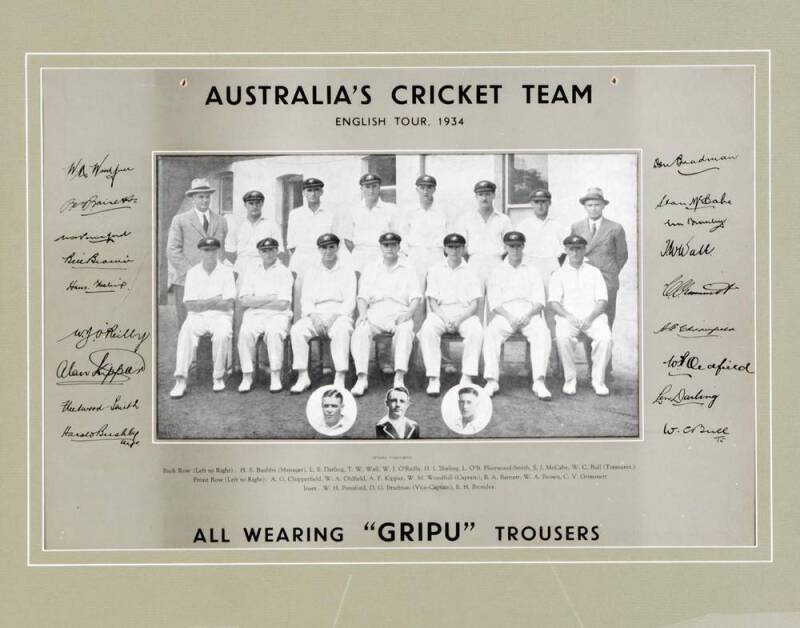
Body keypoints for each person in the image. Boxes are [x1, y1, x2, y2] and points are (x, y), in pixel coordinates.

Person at [482, 231, 552, 400]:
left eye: (518, 246)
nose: (515, 250)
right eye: (511, 246)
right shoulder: (496, 271)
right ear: (505, 247)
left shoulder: (533, 270)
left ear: (523, 247)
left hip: (529, 313)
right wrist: (510, 317)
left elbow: (539, 300)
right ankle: (492, 380)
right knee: (491, 333)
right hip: (505, 314)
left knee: (542, 332)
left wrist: (528, 315)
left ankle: (539, 381)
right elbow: (494, 302)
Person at [350, 232, 421, 396]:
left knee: (405, 330)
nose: (390, 248)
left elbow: (416, 297)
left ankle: (399, 378)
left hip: (399, 312)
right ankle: (361, 378)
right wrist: (362, 314)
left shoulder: (408, 268)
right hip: (376, 311)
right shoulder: (371, 267)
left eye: (393, 245)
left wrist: (409, 314)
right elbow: (362, 297)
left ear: (398, 247)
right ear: (380, 247)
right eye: (386, 245)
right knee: (360, 330)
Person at [417, 233, 484, 396]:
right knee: (427, 330)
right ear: (445, 249)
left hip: (464, 313)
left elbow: (475, 303)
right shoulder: (435, 270)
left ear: (464, 248)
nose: (454, 251)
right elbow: (432, 301)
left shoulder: (472, 270)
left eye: (458, 247)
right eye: (451, 247)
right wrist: (445, 318)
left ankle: (467, 376)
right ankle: (434, 377)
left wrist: (460, 318)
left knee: (476, 329)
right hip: (441, 313)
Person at [289, 233, 356, 393]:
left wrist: (334, 317)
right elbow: (306, 300)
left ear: (337, 248)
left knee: (341, 330)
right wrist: (314, 317)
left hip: (339, 314)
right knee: (297, 330)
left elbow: (349, 300)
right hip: (317, 313)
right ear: (319, 250)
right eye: (324, 247)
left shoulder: (347, 271)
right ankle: (303, 375)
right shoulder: (312, 271)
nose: (328, 251)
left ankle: (339, 376)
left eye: (331, 247)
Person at [169, 237, 235, 398]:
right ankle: (180, 379)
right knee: (185, 332)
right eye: (206, 250)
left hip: (221, 316)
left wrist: (204, 302)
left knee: (221, 334)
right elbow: (190, 305)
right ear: (200, 252)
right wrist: (215, 299)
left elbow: (228, 303)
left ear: (218, 251)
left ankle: (218, 377)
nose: (210, 254)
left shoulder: (227, 272)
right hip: (196, 316)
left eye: (213, 250)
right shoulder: (192, 273)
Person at [548, 235, 613, 396]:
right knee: (562, 337)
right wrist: (569, 316)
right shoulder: (559, 274)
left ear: (584, 250)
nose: (575, 253)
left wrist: (590, 318)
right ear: (566, 250)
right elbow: (554, 302)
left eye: (579, 249)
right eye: (572, 249)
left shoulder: (594, 272)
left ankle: (598, 381)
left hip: (592, 317)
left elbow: (602, 300)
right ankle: (570, 380)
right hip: (568, 318)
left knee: (605, 338)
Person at [166, 178, 228, 329]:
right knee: (188, 326)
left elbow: (221, 249)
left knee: (212, 324)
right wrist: (192, 273)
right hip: (186, 280)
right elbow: (173, 250)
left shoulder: (221, 221)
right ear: (193, 198)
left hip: (213, 280)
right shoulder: (180, 220)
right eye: (200, 196)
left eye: (207, 196)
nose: (205, 200)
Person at [236, 237, 294, 393]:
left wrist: (256, 300)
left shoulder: (285, 272)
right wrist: (270, 297)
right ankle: (247, 376)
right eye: (264, 250)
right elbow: (244, 300)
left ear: (277, 251)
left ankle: (275, 375)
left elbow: (283, 303)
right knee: (245, 333)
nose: (268, 254)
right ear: (259, 252)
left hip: (278, 315)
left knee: (274, 333)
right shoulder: (252, 271)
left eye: (272, 250)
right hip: (254, 315)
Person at [569, 187, 628, 329]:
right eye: (590, 205)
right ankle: (589, 351)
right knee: (586, 315)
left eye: (597, 205)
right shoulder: (577, 227)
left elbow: (622, 255)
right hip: (584, 277)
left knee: (606, 317)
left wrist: (610, 270)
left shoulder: (615, 227)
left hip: (607, 278)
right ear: (585, 207)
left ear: (603, 206)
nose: (593, 209)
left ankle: (606, 351)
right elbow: (573, 250)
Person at [341, 173, 401, 275]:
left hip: (382, 255)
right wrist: (359, 253)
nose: (371, 190)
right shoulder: (353, 210)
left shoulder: (391, 209)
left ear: (379, 188)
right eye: (367, 187)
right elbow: (347, 239)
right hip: (360, 257)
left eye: (374, 186)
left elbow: (398, 235)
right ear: (361, 189)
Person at [455, 180, 512, 287]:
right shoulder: (466, 218)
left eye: (487, 194)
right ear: (476, 196)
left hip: (496, 262)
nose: (484, 198)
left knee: (496, 300)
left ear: (493, 195)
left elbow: (509, 245)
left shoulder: (504, 219)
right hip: (474, 263)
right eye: (481, 194)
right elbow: (461, 246)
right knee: (476, 300)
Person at [286, 178, 344, 277]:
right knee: (299, 289)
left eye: (316, 190)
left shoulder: (331, 213)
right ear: (304, 193)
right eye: (309, 190)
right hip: (301, 259)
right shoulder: (295, 214)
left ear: (321, 192)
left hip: (322, 258)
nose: (313, 194)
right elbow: (291, 244)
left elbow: (337, 240)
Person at [401, 174, 448, 289]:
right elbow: (402, 235)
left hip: (436, 255)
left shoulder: (443, 211)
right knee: (416, 292)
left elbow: (449, 235)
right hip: (416, 255)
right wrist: (408, 254)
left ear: (434, 189)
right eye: (422, 188)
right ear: (417, 189)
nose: (425, 191)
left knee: (437, 291)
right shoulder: (409, 211)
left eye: (429, 187)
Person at [225, 190, 282, 278]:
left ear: (262, 204)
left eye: (257, 203)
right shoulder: (237, 224)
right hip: (242, 267)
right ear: (245, 205)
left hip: (264, 266)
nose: (254, 206)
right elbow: (230, 250)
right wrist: (241, 264)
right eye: (251, 203)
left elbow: (279, 250)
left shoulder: (271, 224)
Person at [517, 188, 567, 285]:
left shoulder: (557, 225)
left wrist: (558, 267)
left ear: (549, 203)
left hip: (551, 266)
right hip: (530, 264)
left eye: (543, 202)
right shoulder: (523, 225)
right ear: (531, 204)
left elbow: (565, 250)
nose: (540, 206)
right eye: (536, 202)